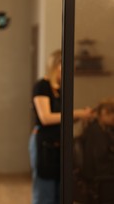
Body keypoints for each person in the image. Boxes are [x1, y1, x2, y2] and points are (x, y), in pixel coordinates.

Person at [28, 49, 93, 204]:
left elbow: (61, 118)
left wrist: (82, 116)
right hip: (44, 144)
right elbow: (46, 118)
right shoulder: (42, 86)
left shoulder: (61, 89)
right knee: (45, 192)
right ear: (57, 65)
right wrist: (77, 113)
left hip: (59, 144)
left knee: (60, 193)